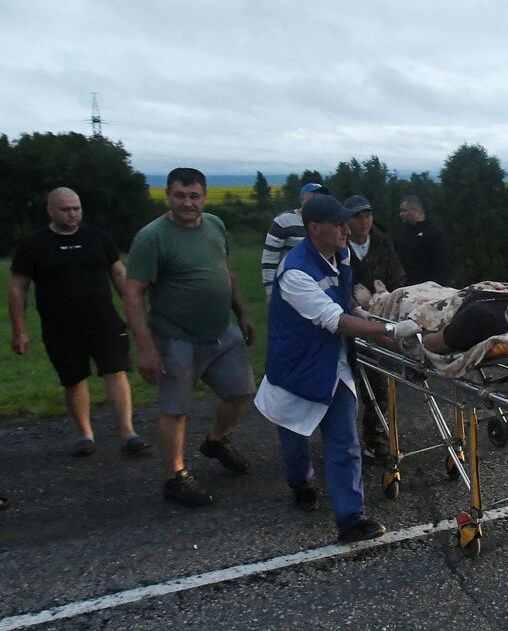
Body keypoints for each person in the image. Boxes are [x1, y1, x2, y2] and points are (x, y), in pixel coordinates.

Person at [255, 194, 419, 543]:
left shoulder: (338, 255)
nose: (348, 229)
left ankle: (351, 519)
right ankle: (301, 484)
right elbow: (333, 320)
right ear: (315, 229)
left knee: (345, 443)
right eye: (340, 223)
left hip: (333, 363)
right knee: (295, 441)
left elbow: (343, 304)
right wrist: (390, 329)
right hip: (298, 368)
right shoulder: (296, 272)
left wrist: (371, 316)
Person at [122, 168, 258, 507]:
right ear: (168, 195)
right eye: (180, 195)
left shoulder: (215, 225)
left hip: (220, 331)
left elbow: (224, 270)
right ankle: (175, 477)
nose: (187, 203)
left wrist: (241, 311)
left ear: (204, 197)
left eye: (194, 196)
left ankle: (215, 440)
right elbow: (133, 293)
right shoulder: (152, 237)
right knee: (175, 409)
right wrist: (147, 350)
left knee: (242, 392)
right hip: (174, 337)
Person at [8, 188, 149, 457]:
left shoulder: (98, 238)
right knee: (73, 379)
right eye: (66, 209)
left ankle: (128, 433)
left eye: (77, 208)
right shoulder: (33, 246)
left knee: (116, 372)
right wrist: (19, 331)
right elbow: (18, 289)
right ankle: (85, 435)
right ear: (50, 210)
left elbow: (120, 276)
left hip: (104, 321)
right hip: (60, 327)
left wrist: (136, 313)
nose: (73, 214)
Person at [343, 194, 406, 462]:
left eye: (368, 214)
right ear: (347, 219)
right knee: (345, 388)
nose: (365, 220)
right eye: (358, 215)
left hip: (380, 320)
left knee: (378, 384)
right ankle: (342, 440)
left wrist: (380, 300)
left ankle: (375, 439)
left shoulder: (381, 242)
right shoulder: (339, 245)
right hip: (346, 323)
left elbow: (398, 277)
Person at [418, 282, 508, 355]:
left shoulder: (479, 316)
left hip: (430, 302)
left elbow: (432, 344)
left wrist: (416, 337)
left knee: (401, 294)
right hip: (447, 292)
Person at [261, 182, 330, 298]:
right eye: (313, 197)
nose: (317, 201)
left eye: (321, 198)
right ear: (301, 200)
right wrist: (270, 292)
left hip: (319, 288)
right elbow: (269, 260)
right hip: (289, 288)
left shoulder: (326, 223)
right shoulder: (283, 221)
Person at [393, 195, 450, 286]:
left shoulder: (433, 232)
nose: (401, 214)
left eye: (404, 210)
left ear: (415, 210)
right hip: (405, 289)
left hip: (427, 290)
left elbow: (441, 265)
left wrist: (437, 288)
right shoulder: (401, 233)